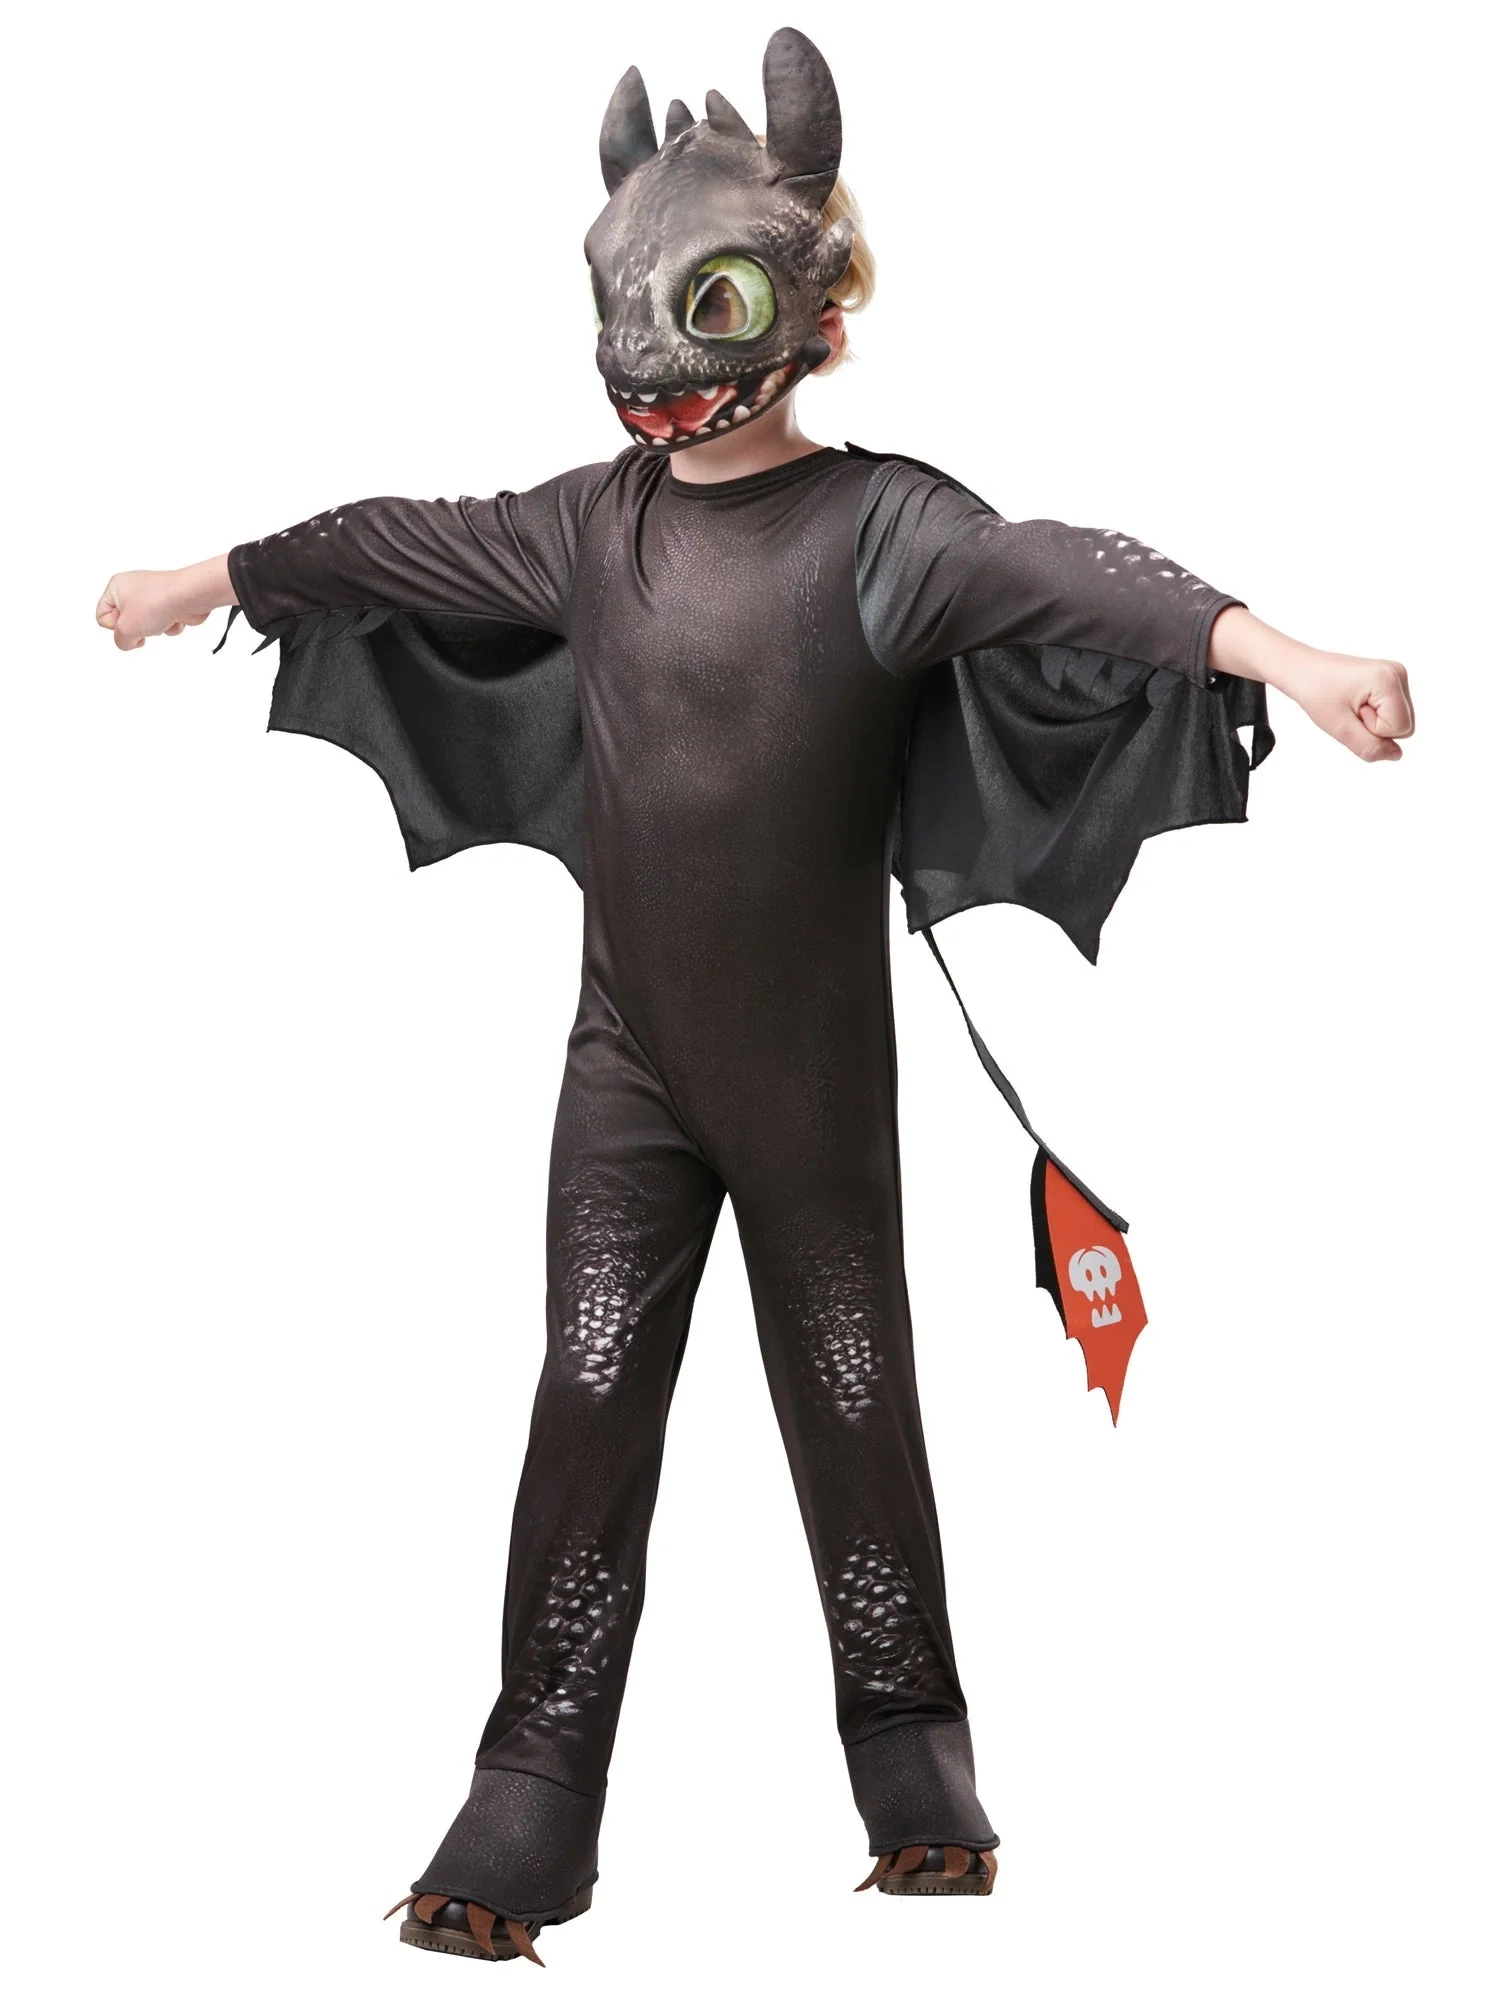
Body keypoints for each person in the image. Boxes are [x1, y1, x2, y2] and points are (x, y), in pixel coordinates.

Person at [95, 26, 1414, 1968]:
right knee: (591, 1392)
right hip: (625, 1069)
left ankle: (913, 1762)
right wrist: (202, 574)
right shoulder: (589, 529)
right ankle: (531, 1792)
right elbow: (387, 541)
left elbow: (1076, 577)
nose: (647, 352)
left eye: (700, 302)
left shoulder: (890, 535)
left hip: (811, 1092)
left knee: (854, 1404)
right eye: (621, 305)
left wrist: (1287, 654)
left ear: (817, 309)